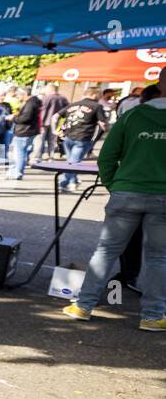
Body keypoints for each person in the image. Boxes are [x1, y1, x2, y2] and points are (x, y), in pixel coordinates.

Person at [64, 82, 164, 331]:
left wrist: (115, 185)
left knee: (106, 251)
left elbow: (107, 156)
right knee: (158, 257)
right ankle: (153, 316)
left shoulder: (132, 115)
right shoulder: (133, 115)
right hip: (163, 196)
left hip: (126, 191)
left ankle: (83, 306)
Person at [56, 87, 108, 191]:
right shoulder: (97, 106)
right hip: (83, 137)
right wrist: (106, 129)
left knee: (71, 161)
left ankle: (73, 181)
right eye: (99, 95)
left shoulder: (73, 104)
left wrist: (55, 130)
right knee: (74, 163)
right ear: (94, 95)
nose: (100, 98)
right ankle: (64, 183)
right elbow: (103, 124)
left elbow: (55, 116)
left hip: (68, 136)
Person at [8, 87, 42, 179]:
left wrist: (14, 118)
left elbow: (26, 118)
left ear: (24, 94)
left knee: (19, 153)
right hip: (29, 131)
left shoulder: (30, 104)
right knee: (22, 153)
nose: (18, 97)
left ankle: (17, 172)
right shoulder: (34, 102)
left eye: (19, 95)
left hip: (24, 131)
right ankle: (17, 171)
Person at [39, 84, 70, 159]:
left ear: (50, 89)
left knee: (41, 140)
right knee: (52, 141)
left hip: (44, 122)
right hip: (57, 123)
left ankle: (38, 157)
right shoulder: (63, 98)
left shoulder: (47, 98)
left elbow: (43, 110)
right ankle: (51, 156)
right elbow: (67, 110)